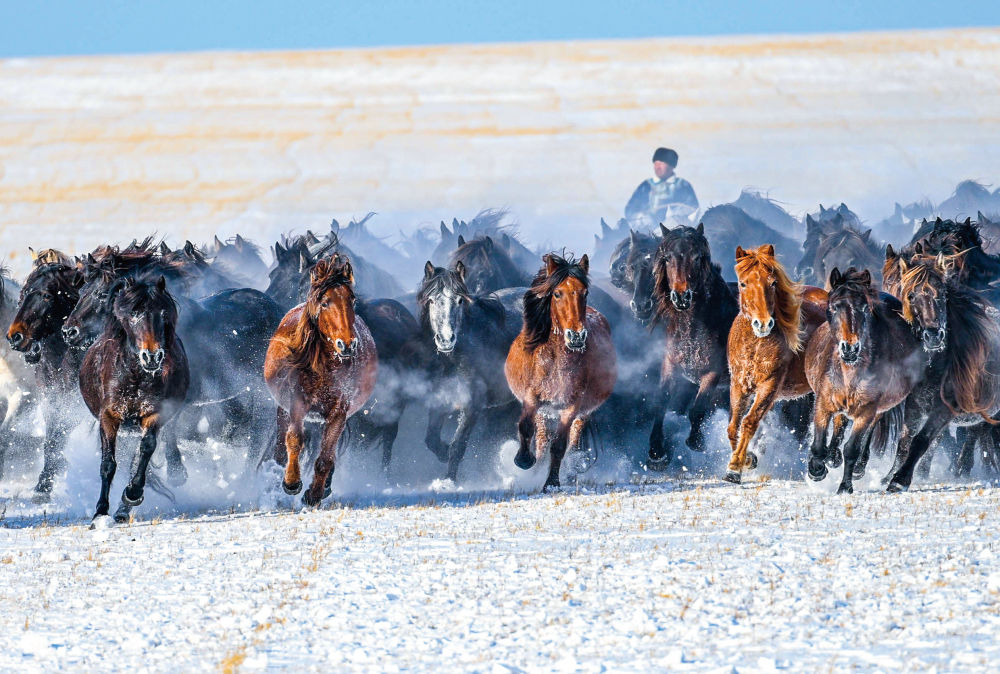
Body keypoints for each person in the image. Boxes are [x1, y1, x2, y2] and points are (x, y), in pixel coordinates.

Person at [624, 147, 699, 227]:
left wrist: (677, 216)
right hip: (648, 231)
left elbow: (694, 208)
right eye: (656, 164)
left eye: (661, 164)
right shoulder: (646, 186)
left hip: (676, 231)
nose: (657, 167)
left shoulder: (683, 186)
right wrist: (641, 218)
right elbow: (630, 210)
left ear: (671, 166)